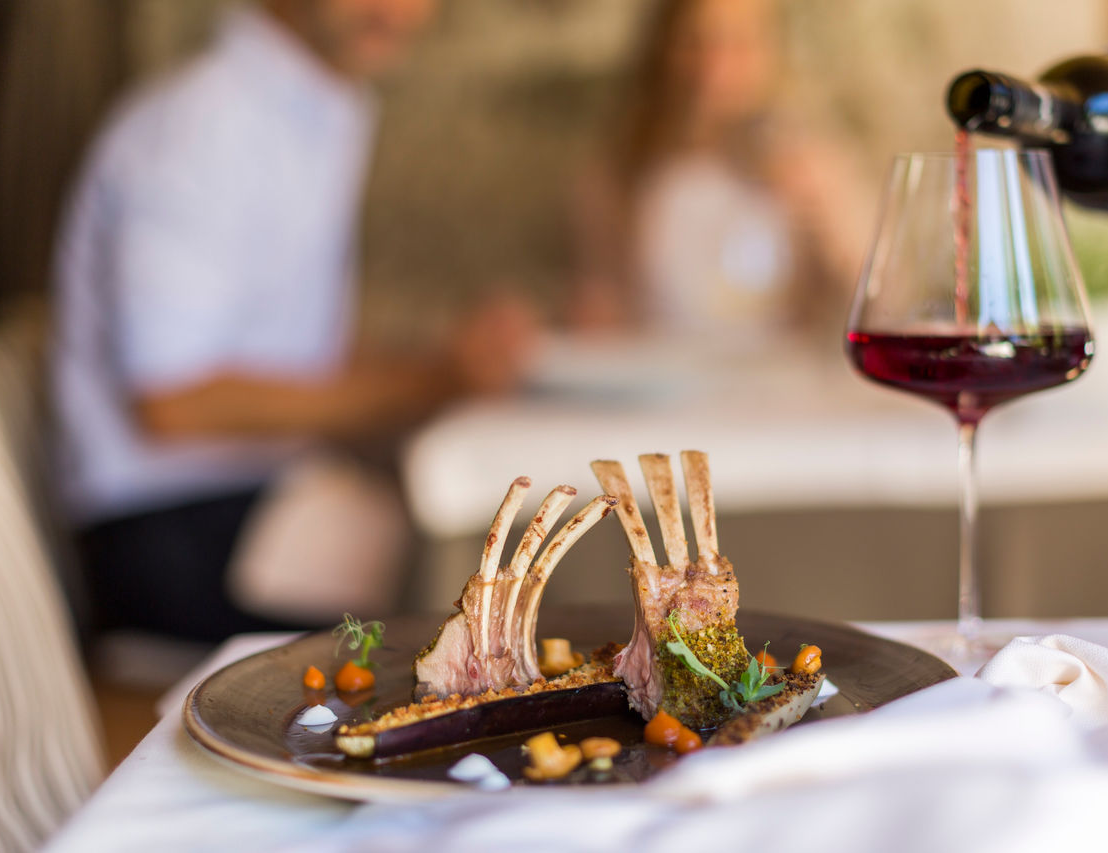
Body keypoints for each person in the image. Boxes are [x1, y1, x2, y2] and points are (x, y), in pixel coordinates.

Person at [52, 0, 537, 642]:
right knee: (456, 604)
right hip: (170, 533)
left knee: (471, 568)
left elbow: (297, 350)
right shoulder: (202, 126)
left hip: (244, 501)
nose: (401, 10)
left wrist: (446, 362)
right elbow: (173, 402)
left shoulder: (313, 107)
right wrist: (434, 378)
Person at [570, 0, 867, 340]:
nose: (714, 64)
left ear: (772, 52)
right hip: (659, 376)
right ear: (662, 50)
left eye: (738, 44)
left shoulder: (810, 163)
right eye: (694, 42)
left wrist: (829, 218)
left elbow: (881, 299)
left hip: (779, 380)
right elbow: (604, 302)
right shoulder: (620, 174)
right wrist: (593, 317)